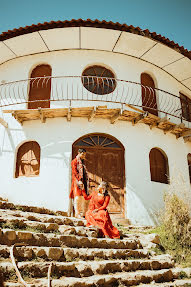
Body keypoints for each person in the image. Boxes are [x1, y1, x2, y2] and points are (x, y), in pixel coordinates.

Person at [69, 148, 89, 218]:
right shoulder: (74, 161)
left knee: (83, 197)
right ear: (79, 153)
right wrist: (79, 180)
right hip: (77, 181)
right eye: (82, 154)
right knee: (77, 197)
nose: (84, 156)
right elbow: (75, 172)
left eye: (84, 154)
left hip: (83, 181)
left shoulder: (82, 162)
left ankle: (83, 213)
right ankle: (77, 213)